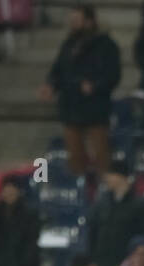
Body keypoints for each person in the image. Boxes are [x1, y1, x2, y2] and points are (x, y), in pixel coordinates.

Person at [39, 4, 121, 179]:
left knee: (101, 154)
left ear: (89, 21)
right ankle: (79, 189)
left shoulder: (106, 45)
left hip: (95, 107)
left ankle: (105, 189)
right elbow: (58, 70)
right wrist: (51, 85)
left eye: (76, 20)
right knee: (74, 155)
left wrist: (95, 86)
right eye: (71, 20)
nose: (73, 24)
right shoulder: (69, 44)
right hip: (71, 106)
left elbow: (113, 75)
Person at [87, 159, 144, 266]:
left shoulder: (142, 205)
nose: (106, 179)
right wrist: (93, 262)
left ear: (121, 176)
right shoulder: (101, 204)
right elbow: (93, 234)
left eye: (110, 175)